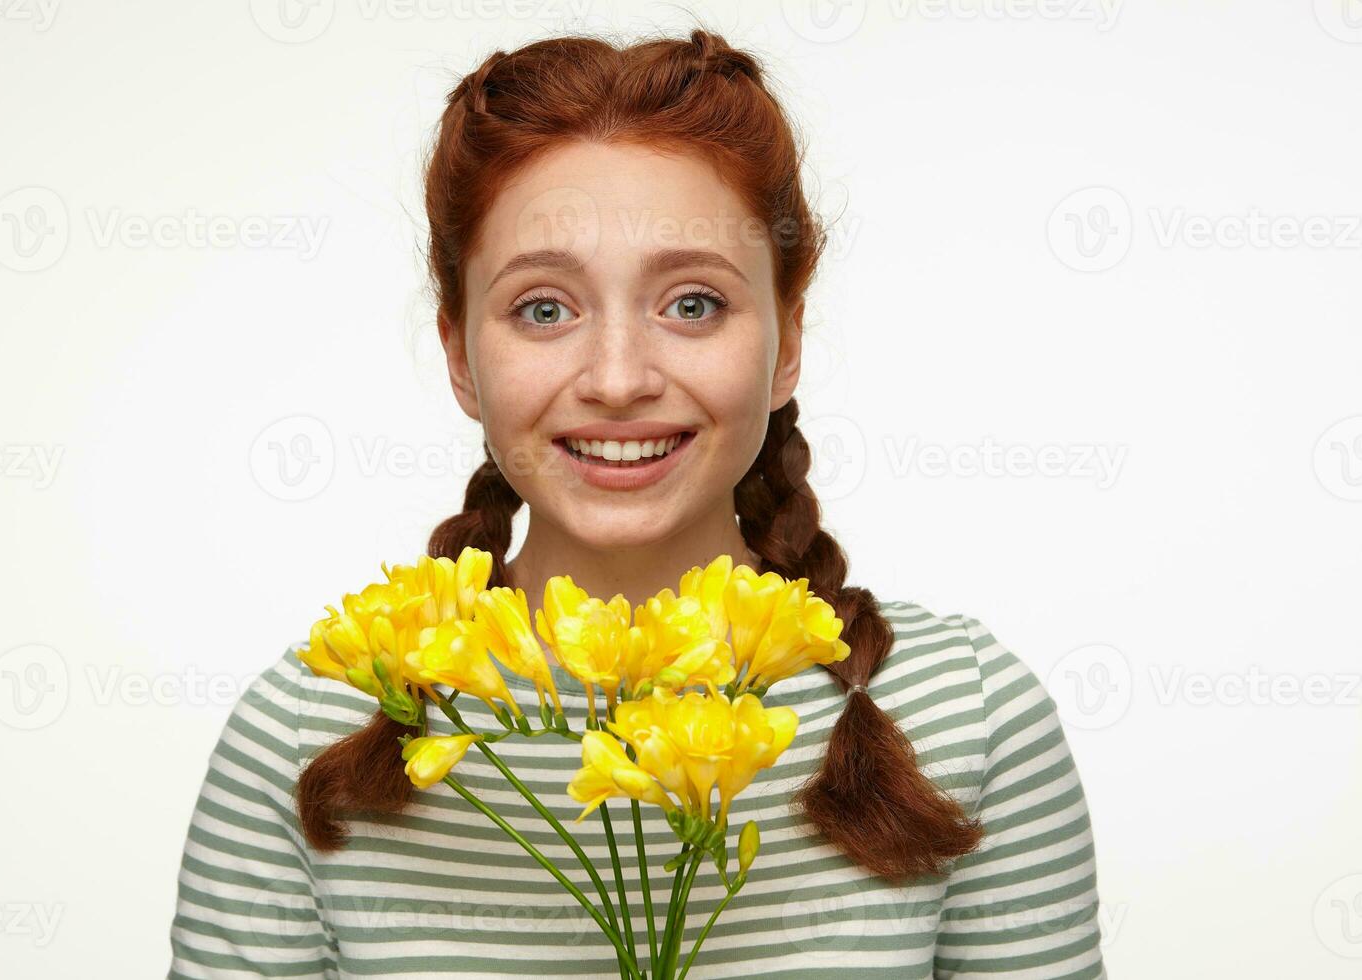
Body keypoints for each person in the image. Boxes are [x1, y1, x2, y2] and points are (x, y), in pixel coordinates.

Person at [166, 27, 1105, 978]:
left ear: (786, 343)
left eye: (692, 303)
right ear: (458, 355)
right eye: (544, 308)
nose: (617, 380)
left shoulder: (966, 718)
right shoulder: (306, 732)